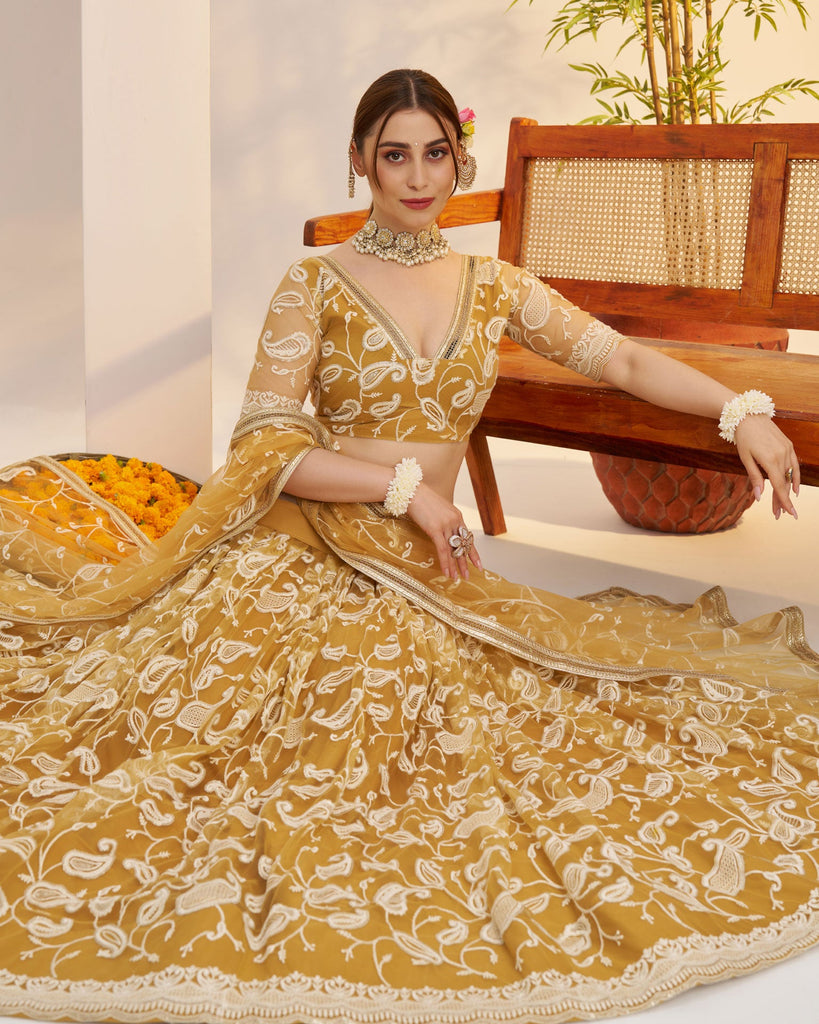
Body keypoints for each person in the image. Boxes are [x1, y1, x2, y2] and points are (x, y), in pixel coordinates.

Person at [0, 67, 816, 1024]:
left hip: (432, 565)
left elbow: (623, 357)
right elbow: (267, 446)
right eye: (395, 155)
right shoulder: (316, 282)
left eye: (435, 154)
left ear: (457, 159)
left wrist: (740, 412)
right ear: (359, 162)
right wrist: (406, 493)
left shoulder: (492, 285)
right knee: (297, 726)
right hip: (317, 541)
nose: (418, 177)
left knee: (539, 717)